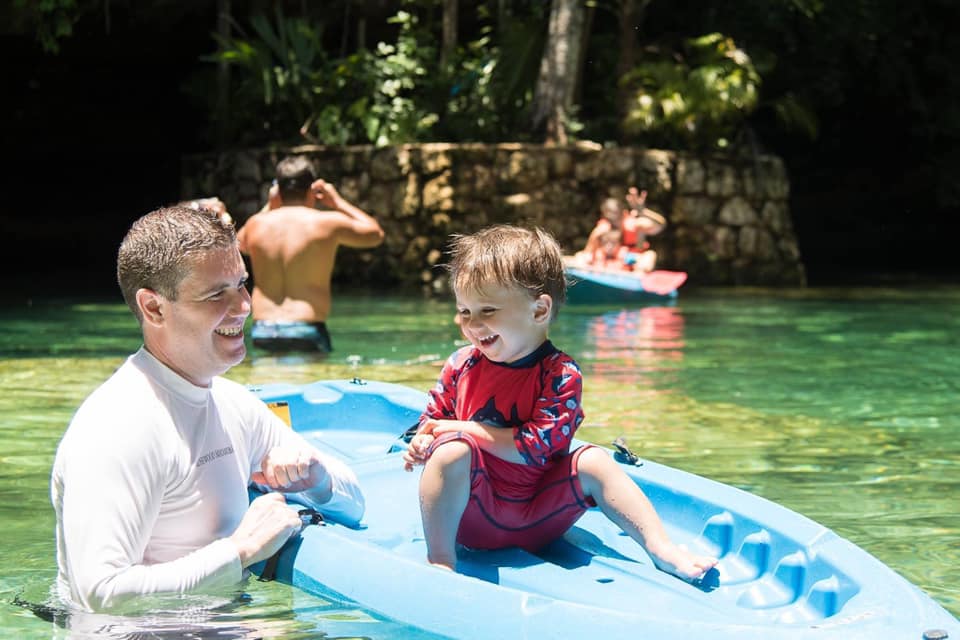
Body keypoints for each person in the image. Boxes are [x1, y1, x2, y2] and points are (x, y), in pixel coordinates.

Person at [50, 205, 365, 613]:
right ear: (154, 308)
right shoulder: (118, 428)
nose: (245, 305)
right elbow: (103, 594)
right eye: (217, 293)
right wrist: (240, 551)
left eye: (241, 284)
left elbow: (354, 502)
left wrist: (315, 478)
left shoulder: (230, 403)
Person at [402, 224, 717, 582]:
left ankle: (662, 548)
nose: (473, 325)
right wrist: (423, 443)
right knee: (450, 453)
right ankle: (440, 564)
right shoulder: (461, 365)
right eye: (464, 312)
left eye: (487, 310)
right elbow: (432, 421)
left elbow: (536, 449)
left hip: (538, 517)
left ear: (539, 311)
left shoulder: (560, 373)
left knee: (594, 460)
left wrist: (465, 429)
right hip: (472, 519)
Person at [237, 155, 385, 353]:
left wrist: (271, 205)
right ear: (312, 191)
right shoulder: (327, 223)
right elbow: (375, 234)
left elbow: (239, 244)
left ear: (278, 190)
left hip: (264, 329)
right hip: (306, 328)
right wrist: (338, 202)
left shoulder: (256, 224)